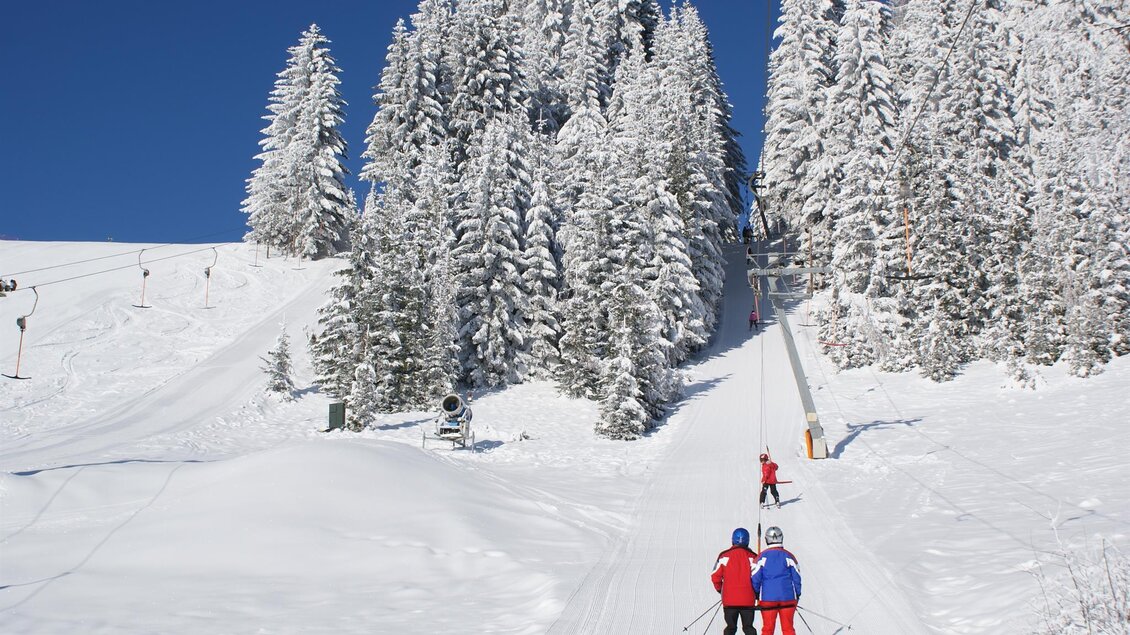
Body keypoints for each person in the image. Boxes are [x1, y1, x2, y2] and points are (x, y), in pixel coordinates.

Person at [751, 526, 802, 635]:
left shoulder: (761, 557)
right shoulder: (789, 556)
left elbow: (755, 578)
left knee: (767, 629)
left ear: (767, 539)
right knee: (788, 629)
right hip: (787, 598)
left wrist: (755, 594)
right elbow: (797, 576)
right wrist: (798, 593)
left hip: (768, 599)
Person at [710, 527, 759, 635]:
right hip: (748, 600)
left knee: (730, 628)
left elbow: (715, 576)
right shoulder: (753, 557)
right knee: (748, 628)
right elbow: (758, 578)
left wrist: (721, 590)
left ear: (733, 539)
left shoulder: (724, 556)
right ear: (747, 540)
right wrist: (756, 593)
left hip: (729, 600)